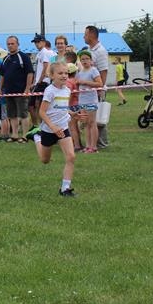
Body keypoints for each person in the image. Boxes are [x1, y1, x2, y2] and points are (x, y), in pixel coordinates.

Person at [34, 61, 80, 197]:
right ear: (52, 75)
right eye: (60, 73)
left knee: (71, 156)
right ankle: (36, 137)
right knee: (45, 160)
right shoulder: (50, 91)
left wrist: (72, 114)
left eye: (66, 73)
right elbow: (42, 112)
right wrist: (53, 127)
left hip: (63, 128)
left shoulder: (67, 90)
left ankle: (65, 189)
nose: (64, 75)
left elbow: (62, 107)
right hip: (49, 130)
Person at [0, 35, 34, 143]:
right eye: (8, 44)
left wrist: (27, 88)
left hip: (21, 92)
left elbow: (30, 73)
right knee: (12, 115)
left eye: (12, 44)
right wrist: (0, 89)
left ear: (18, 44)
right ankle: (14, 135)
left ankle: (24, 136)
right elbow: (2, 75)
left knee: (23, 114)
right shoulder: (6, 59)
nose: (10, 46)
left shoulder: (24, 57)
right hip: (8, 92)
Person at [83, 25, 110, 149]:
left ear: (92, 35)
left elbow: (103, 71)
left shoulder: (101, 51)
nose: (84, 37)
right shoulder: (89, 49)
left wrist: (100, 88)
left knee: (99, 117)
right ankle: (93, 141)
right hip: (89, 90)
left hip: (97, 89)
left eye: (85, 34)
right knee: (91, 117)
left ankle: (102, 143)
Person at [76, 50, 102, 153]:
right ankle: (87, 146)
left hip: (91, 100)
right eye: (82, 59)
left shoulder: (94, 70)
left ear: (91, 60)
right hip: (82, 100)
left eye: (87, 59)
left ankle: (94, 147)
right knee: (85, 123)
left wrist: (85, 82)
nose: (85, 61)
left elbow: (99, 83)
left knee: (92, 122)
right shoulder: (80, 72)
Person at [29, 33, 55, 129]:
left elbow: (45, 67)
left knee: (38, 105)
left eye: (38, 41)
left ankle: (40, 125)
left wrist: (39, 81)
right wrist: (34, 82)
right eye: (35, 42)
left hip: (44, 82)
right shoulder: (40, 53)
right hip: (39, 82)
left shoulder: (45, 52)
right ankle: (37, 125)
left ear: (44, 42)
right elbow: (38, 69)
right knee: (32, 105)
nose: (36, 44)